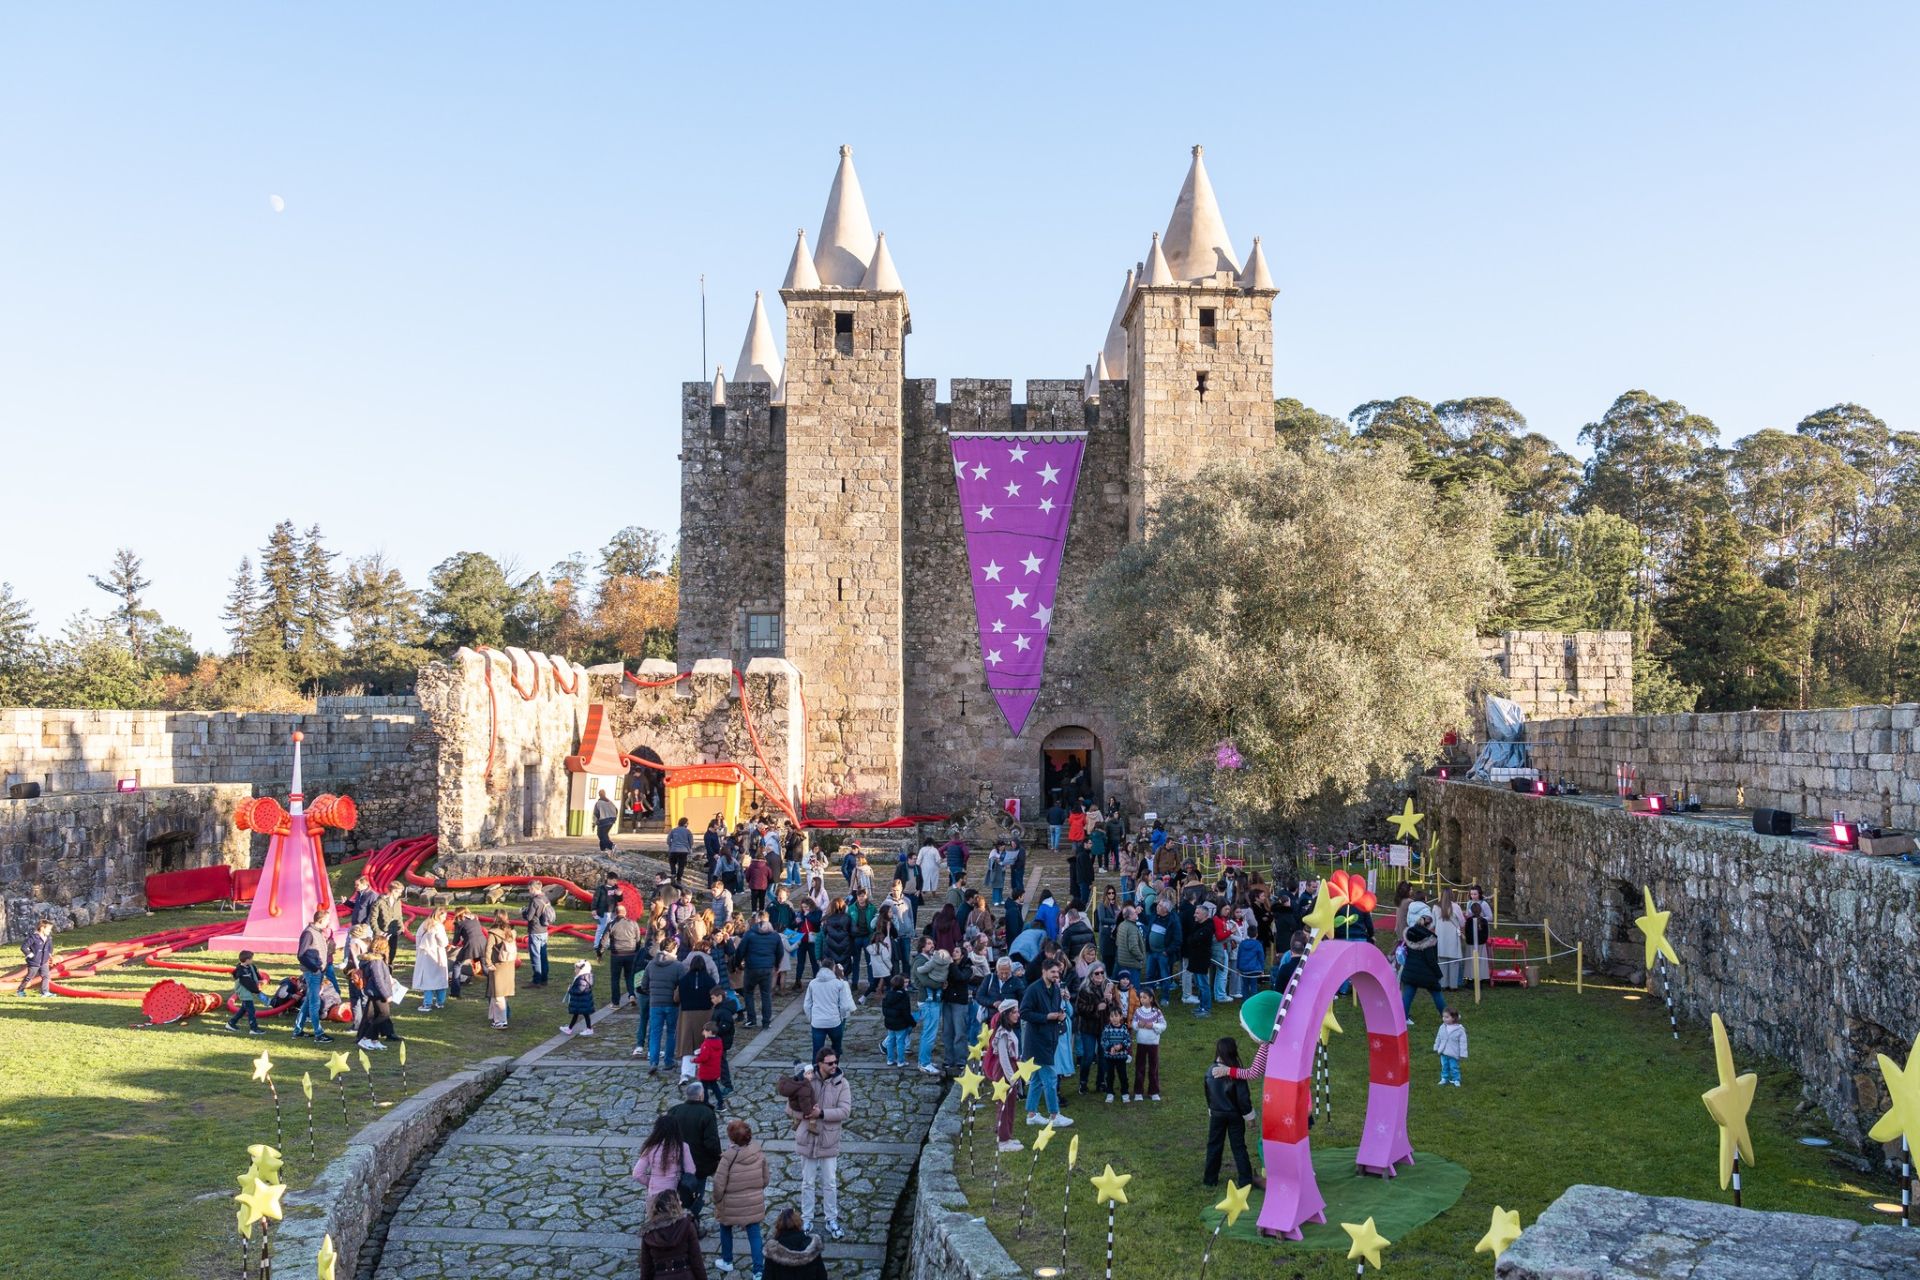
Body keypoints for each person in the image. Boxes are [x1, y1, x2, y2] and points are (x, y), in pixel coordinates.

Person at [786, 1046, 851, 1239]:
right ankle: (807, 1218)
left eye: (836, 1062)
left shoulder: (842, 1083)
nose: (834, 1066)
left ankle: (831, 1218)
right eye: (830, 1063)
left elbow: (845, 1111)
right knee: (808, 1182)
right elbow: (789, 1108)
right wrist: (807, 1115)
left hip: (829, 1140)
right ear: (820, 1064)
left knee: (830, 1182)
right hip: (807, 1138)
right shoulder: (805, 1079)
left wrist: (821, 1114)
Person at [1019, 959, 1072, 1128]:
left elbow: (1056, 1010)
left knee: (1036, 1079)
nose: (1057, 975)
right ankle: (1054, 1114)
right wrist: (1046, 1017)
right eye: (1053, 972)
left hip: (1051, 1038)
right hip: (1036, 1041)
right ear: (1044, 971)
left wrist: (1060, 1015)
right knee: (1050, 1078)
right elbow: (1024, 1013)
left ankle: (1032, 1114)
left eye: (1058, 972)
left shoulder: (1056, 989)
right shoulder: (1033, 989)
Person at [712, 1119, 769, 1276]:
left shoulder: (727, 1159)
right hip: (753, 1202)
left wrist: (716, 1200)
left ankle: (727, 1260)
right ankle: (758, 1271)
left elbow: (718, 1185)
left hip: (730, 1204)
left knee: (725, 1227)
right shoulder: (758, 1153)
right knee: (755, 1235)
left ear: (731, 1138)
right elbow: (766, 1180)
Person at [669, 1080, 724, 1225]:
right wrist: (718, 1158)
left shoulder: (674, 1111)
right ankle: (691, 1223)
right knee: (696, 1194)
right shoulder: (706, 1113)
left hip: (677, 1162)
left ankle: (678, 1218)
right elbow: (711, 1142)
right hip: (699, 1164)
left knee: (678, 1192)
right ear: (701, 1096)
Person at [1203, 1036, 1256, 1187]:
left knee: (1214, 1145)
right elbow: (1243, 1098)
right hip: (1235, 1116)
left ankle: (1209, 1180)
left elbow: (1208, 1093)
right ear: (1233, 1051)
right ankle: (1245, 1180)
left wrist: (1211, 1109)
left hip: (1217, 1114)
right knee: (1238, 1146)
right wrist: (1250, 1117)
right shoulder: (1235, 1073)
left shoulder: (1210, 1071)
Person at [638, 1189, 707, 1280]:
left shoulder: (648, 1233)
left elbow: (646, 1267)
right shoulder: (687, 1226)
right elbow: (696, 1260)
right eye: (679, 1200)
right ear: (675, 1206)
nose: (681, 1202)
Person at [633, 1110, 695, 1203]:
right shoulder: (683, 1147)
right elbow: (691, 1171)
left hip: (654, 1194)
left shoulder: (650, 1148)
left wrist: (650, 1182)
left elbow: (637, 1174)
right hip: (673, 1193)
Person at [1400, 904, 1448, 1024]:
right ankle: (1447, 1016)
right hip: (1426, 974)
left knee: (1408, 994)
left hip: (1410, 970)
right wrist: (1438, 974)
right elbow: (1431, 960)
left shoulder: (1409, 934)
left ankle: (1402, 1017)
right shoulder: (1429, 939)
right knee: (1436, 993)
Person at [987, 1000, 1024, 1151]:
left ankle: (1007, 1135)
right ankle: (1003, 1140)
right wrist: (1012, 1078)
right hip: (1004, 1071)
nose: (1018, 1015)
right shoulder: (1002, 1033)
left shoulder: (1009, 1030)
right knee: (1004, 1105)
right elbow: (1003, 1058)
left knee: (1010, 1104)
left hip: (1010, 1068)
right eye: (1014, 1012)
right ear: (1007, 1014)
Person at [910, 938, 949, 1075]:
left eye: (933, 943)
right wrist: (941, 984)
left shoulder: (930, 958)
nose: (932, 945)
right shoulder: (920, 961)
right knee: (929, 1033)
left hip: (932, 1001)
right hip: (927, 1001)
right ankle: (924, 1063)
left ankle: (925, 1060)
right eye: (929, 943)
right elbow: (925, 981)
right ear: (922, 946)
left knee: (930, 1032)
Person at [803, 961, 855, 1061]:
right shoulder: (839, 984)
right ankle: (833, 1069)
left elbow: (807, 1005)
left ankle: (818, 1073)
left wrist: (811, 1018)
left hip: (817, 1022)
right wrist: (841, 1017)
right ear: (833, 969)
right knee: (836, 1048)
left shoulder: (813, 983)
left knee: (817, 1052)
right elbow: (844, 1006)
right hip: (834, 1021)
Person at [676, 952, 722, 1063]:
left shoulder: (683, 980)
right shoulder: (710, 981)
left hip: (687, 1014)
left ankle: (687, 1068)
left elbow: (676, 998)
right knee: (704, 1039)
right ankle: (705, 1061)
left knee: (688, 1042)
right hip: (706, 1013)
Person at [357, 937, 402, 1048]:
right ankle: (366, 1037)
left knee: (374, 1015)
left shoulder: (373, 960)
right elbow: (378, 980)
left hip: (374, 992)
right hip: (378, 993)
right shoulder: (376, 962)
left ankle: (374, 1039)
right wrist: (387, 995)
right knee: (384, 1015)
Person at [739, 914, 780, 1028]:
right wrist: (776, 965)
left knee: (748, 993)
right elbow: (779, 952)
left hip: (751, 968)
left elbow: (741, 950)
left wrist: (737, 964)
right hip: (767, 969)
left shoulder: (749, 934)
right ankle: (766, 1021)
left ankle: (751, 1019)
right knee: (766, 995)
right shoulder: (775, 935)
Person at [762, 1207, 827, 1280]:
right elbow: (822, 1276)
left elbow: (767, 1277)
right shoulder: (812, 1246)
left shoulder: (773, 1250)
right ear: (799, 1222)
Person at [604, 902, 645, 1009]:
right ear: (625, 913)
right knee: (630, 976)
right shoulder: (633, 923)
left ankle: (615, 1002)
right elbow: (638, 939)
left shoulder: (612, 924)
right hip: (631, 953)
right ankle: (631, 994)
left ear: (615, 913)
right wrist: (635, 950)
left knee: (615, 979)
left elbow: (603, 940)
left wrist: (599, 952)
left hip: (617, 954)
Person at [1130, 987, 1165, 1101]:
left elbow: (1163, 1025)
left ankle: (1154, 1091)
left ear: (1151, 999)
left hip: (1153, 1044)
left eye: (1144, 997)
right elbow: (1133, 1023)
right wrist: (1137, 1025)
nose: (1142, 999)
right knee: (1140, 1067)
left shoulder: (1156, 1012)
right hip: (1141, 1043)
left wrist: (1153, 1026)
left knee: (1153, 1067)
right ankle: (1138, 1092)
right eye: (1140, 997)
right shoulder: (1138, 1011)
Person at [292, 944, 334, 1042]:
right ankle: (319, 1034)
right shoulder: (310, 934)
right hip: (313, 973)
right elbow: (301, 955)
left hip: (316, 973)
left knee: (308, 1003)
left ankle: (298, 1030)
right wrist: (315, 969)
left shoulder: (319, 937)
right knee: (314, 1004)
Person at [410, 908, 449, 1011]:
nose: (445, 919)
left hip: (424, 956)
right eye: (444, 916)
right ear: (439, 915)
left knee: (427, 980)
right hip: (436, 955)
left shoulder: (424, 924)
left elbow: (418, 939)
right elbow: (443, 942)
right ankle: (440, 1002)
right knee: (440, 979)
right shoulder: (438, 926)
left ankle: (427, 1003)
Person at [518, 881, 555, 986]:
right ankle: (544, 979)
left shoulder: (534, 900)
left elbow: (529, 917)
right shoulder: (545, 898)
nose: (529, 891)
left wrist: (523, 912)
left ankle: (536, 980)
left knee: (535, 956)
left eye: (529, 889)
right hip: (544, 930)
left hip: (535, 931)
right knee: (543, 955)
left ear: (533, 889)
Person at [483, 916, 517, 1029]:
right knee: (504, 994)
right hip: (509, 965)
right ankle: (497, 1018)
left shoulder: (493, 934)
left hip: (497, 966)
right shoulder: (512, 933)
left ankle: (501, 1021)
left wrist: (488, 963)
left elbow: (488, 949)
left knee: (497, 995)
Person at [1098, 1004, 1132, 1102]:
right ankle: (1109, 1092)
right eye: (1112, 1016)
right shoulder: (1107, 1028)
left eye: (1116, 1016)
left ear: (1121, 1016)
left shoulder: (1124, 1028)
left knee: (1123, 1075)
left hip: (1121, 1057)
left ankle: (1125, 1092)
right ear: (1109, 1017)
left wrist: (1120, 1046)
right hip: (1109, 1057)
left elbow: (1128, 1041)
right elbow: (1103, 1041)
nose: (1114, 1018)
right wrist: (1110, 1048)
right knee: (1110, 1076)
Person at [226, 949, 265, 1032]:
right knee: (251, 1010)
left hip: (248, 991)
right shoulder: (241, 972)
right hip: (244, 992)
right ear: (247, 960)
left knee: (244, 1008)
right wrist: (257, 991)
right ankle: (253, 1028)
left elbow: (255, 973)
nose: (252, 960)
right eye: (251, 959)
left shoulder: (251, 966)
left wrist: (260, 980)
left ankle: (231, 1023)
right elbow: (248, 983)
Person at [880, 973, 914, 1068]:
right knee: (900, 1042)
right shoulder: (904, 996)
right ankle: (901, 1061)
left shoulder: (888, 995)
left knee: (890, 1041)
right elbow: (906, 1012)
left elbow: (884, 1010)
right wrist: (912, 1022)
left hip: (890, 1023)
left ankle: (890, 1060)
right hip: (901, 1024)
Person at [15, 919, 55, 997]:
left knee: (46, 976)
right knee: (29, 977)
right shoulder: (34, 937)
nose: (50, 931)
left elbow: (50, 947)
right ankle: (20, 991)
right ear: (42, 928)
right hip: (34, 962)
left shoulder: (48, 938)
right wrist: (30, 955)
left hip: (44, 961)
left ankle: (45, 992)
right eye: (48, 929)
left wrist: (49, 954)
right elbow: (24, 947)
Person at [1434, 889, 1466, 990]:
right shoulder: (1456, 907)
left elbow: (1433, 923)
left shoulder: (1435, 907)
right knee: (1454, 962)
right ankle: (1453, 985)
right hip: (1452, 937)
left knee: (1442, 961)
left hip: (1441, 937)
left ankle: (1443, 984)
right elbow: (1462, 923)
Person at [694, 1020, 729, 1110]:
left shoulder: (706, 1044)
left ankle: (706, 1104)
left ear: (709, 1032)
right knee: (715, 1086)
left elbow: (704, 1058)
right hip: (715, 1069)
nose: (703, 1033)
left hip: (706, 1071)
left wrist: (695, 1059)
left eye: (704, 1031)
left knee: (704, 1087)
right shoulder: (719, 1041)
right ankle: (720, 1103)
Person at [1463, 884, 1493, 983]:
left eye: (1475, 894)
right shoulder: (1469, 903)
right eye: (1471, 894)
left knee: (1480, 952)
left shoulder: (1484, 904)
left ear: (1479, 894)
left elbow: (1490, 917)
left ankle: (1481, 976)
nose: (1473, 896)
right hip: (1471, 930)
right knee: (1470, 952)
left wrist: (1479, 918)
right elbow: (1468, 914)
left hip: (1481, 930)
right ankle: (1470, 975)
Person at [1435, 1007, 1468, 1086]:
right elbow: (1438, 1037)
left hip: (1453, 1053)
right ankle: (1444, 1078)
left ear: (1453, 1018)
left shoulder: (1460, 1030)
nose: (1444, 1019)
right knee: (1444, 1066)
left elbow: (1463, 1042)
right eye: (1443, 1017)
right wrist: (1436, 1046)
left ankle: (1456, 1079)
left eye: (1447, 1017)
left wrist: (1463, 1054)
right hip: (1443, 1052)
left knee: (1454, 1067)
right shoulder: (1442, 1027)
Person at [563, 959, 597, 1036]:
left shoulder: (581, 978)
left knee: (583, 1015)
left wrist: (570, 990)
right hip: (583, 1001)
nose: (575, 970)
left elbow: (580, 990)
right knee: (579, 1014)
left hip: (582, 1001)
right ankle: (569, 1028)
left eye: (576, 968)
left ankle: (588, 1029)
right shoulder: (585, 977)